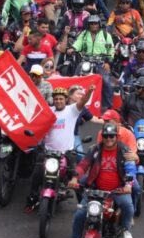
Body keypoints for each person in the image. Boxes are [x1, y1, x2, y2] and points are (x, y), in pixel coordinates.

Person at [64, 123, 136, 238]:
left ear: (116, 137)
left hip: (117, 190)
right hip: (95, 190)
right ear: (102, 137)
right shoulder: (94, 150)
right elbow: (83, 165)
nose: (109, 139)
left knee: (128, 206)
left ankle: (125, 229)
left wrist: (128, 185)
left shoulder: (124, 150)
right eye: (106, 136)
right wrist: (75, 178)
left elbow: (130, 169)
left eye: (111, 136)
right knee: (80, 214)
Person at [25, 84, 95, 212]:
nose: (58, 101)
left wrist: (89, 91)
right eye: (56, 99)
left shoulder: (72, 110)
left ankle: (85, 208)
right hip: (47, 151)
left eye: (61, 99)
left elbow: (83, 101)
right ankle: (31, 201)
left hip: (67, 152)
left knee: (75, 178)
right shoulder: (48, 111)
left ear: (65, 99)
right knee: (36, 175)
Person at [71, 15, 115, 110]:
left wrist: (108, 62)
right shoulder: (84, 34)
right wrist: (73, 48)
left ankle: (108, 106)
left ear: (99, 24)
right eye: (92, 23)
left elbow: (110, 49)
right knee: (75, 78)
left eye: (95, 23)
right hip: (85, 61)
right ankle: (72, 101)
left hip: (100, 62)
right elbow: (78, 43)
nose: (94, 25)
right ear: (88, 24)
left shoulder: (105, 35)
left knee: (106, 81)